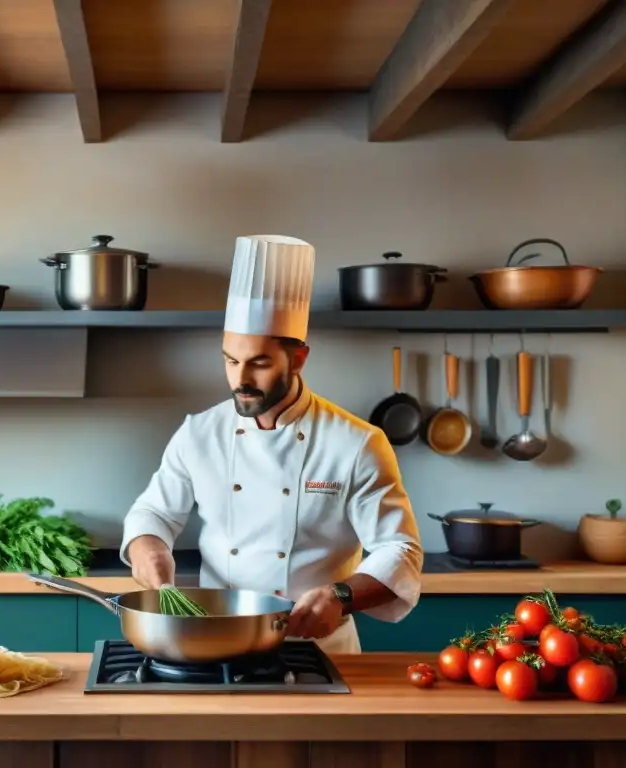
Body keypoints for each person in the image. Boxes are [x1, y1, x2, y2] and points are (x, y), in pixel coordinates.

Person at [119, 234, 423, 654]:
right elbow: (153, 511)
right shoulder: (199, 433)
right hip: (216, 642)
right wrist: (148, 550)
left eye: (259, 363)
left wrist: (342, 596)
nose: (240, 379)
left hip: (318, 647)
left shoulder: (356, 443)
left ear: (298, 359)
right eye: (230, 360)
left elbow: (400, 550)